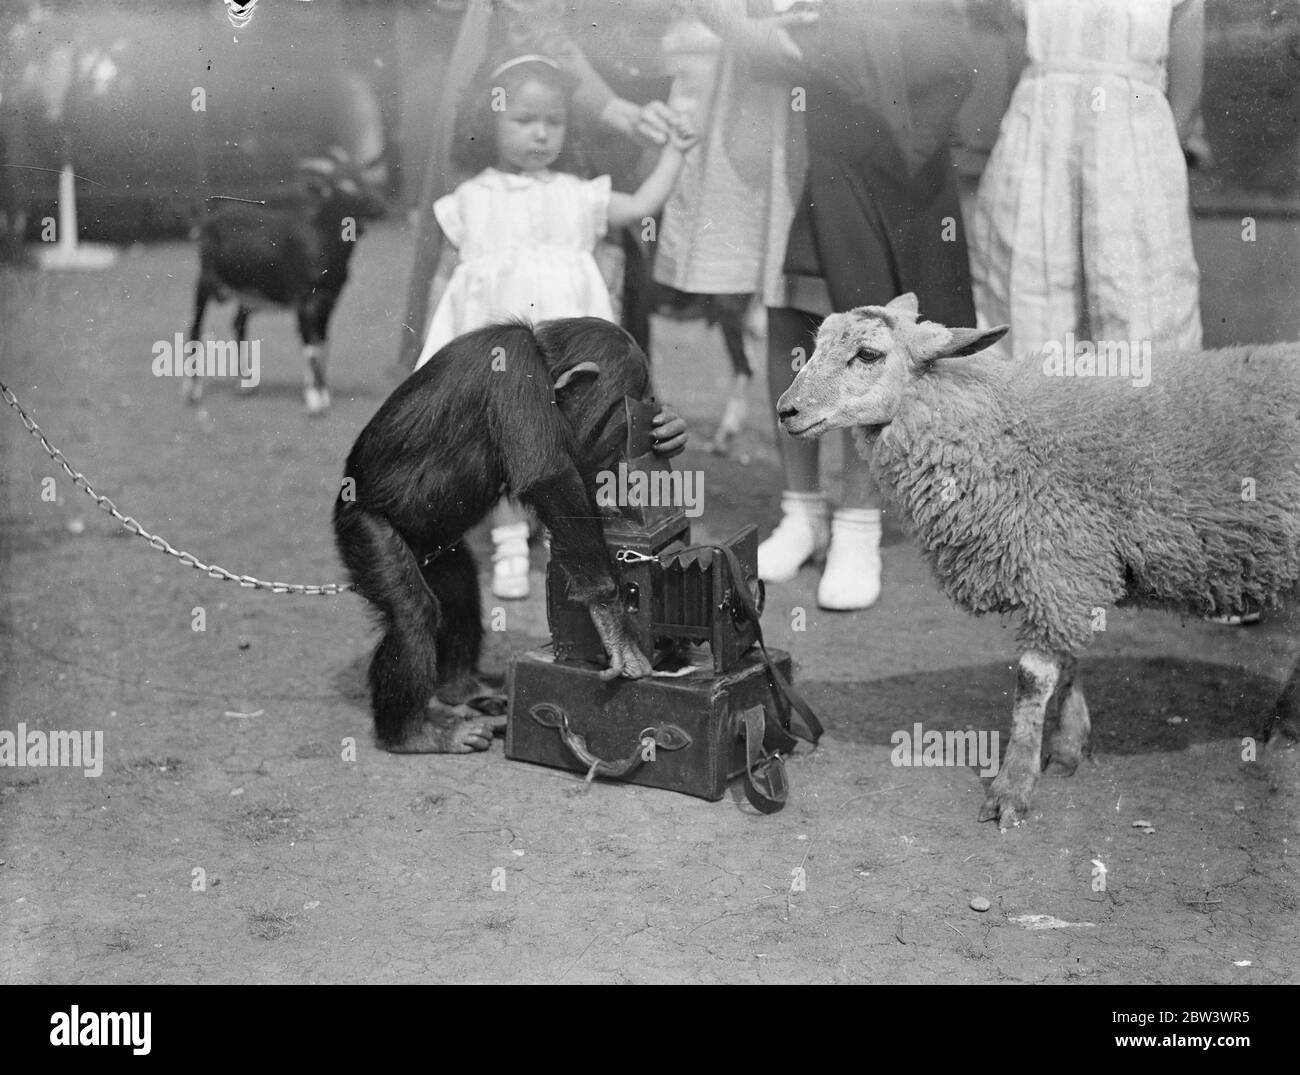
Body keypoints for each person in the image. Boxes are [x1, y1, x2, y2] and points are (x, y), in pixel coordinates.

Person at [682, 0, 977, 611]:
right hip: (766, 107)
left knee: (854, 308)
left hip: (856, 110)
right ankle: (801, 511)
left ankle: (857, 524)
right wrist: (739, 26)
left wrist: (823, 44)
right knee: (784, 300)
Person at [414, 54, 696, 599]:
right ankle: (509, 544)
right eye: (523, 120)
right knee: (502, 441)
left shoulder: (576, 194)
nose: (541, 134)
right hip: (500, 351)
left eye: (554, 122)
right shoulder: (470, 201)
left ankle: (565, 546)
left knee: (571, 440)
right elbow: (445, 283)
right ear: (489, 121)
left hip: (566, 351)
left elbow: (642, 202)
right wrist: (433, 356)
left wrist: (675, 153)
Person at [968, 0, 1205, 361]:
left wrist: (1150, 166)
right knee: (1030, 296)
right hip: (1039, 151)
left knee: (1142, 307)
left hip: (1133, 155)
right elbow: (1020, 75)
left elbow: (1185, 102)